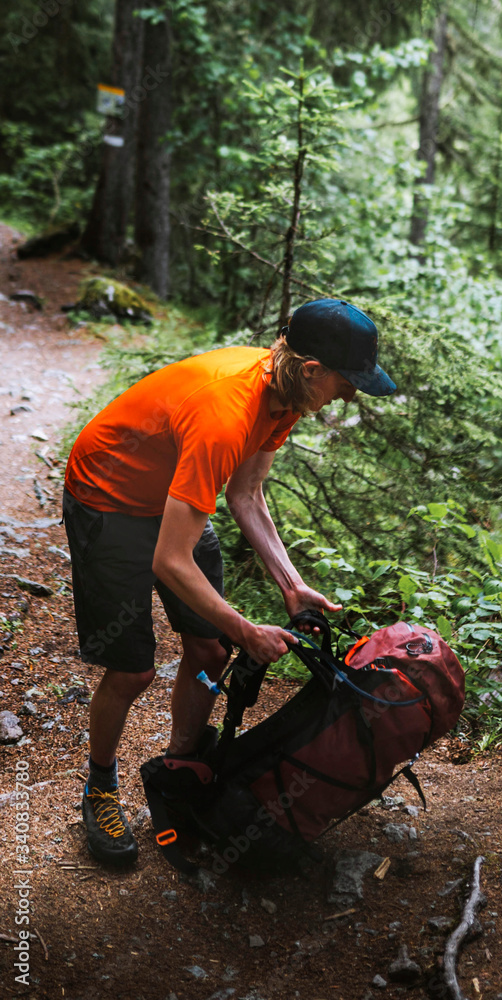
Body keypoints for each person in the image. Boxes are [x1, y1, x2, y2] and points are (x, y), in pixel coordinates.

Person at [62, 298, 396, 865]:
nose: (350, 395)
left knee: (210, 648)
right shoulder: (226, 413)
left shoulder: (287, 393)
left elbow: (245, 494)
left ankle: (180, 766)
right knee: (134, 668)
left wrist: (290, 584)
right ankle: (100, 786)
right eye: (347, 382)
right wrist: (246, 627)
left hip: (171, 498)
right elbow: (171, 561)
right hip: (109, 498)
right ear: (313, 369)